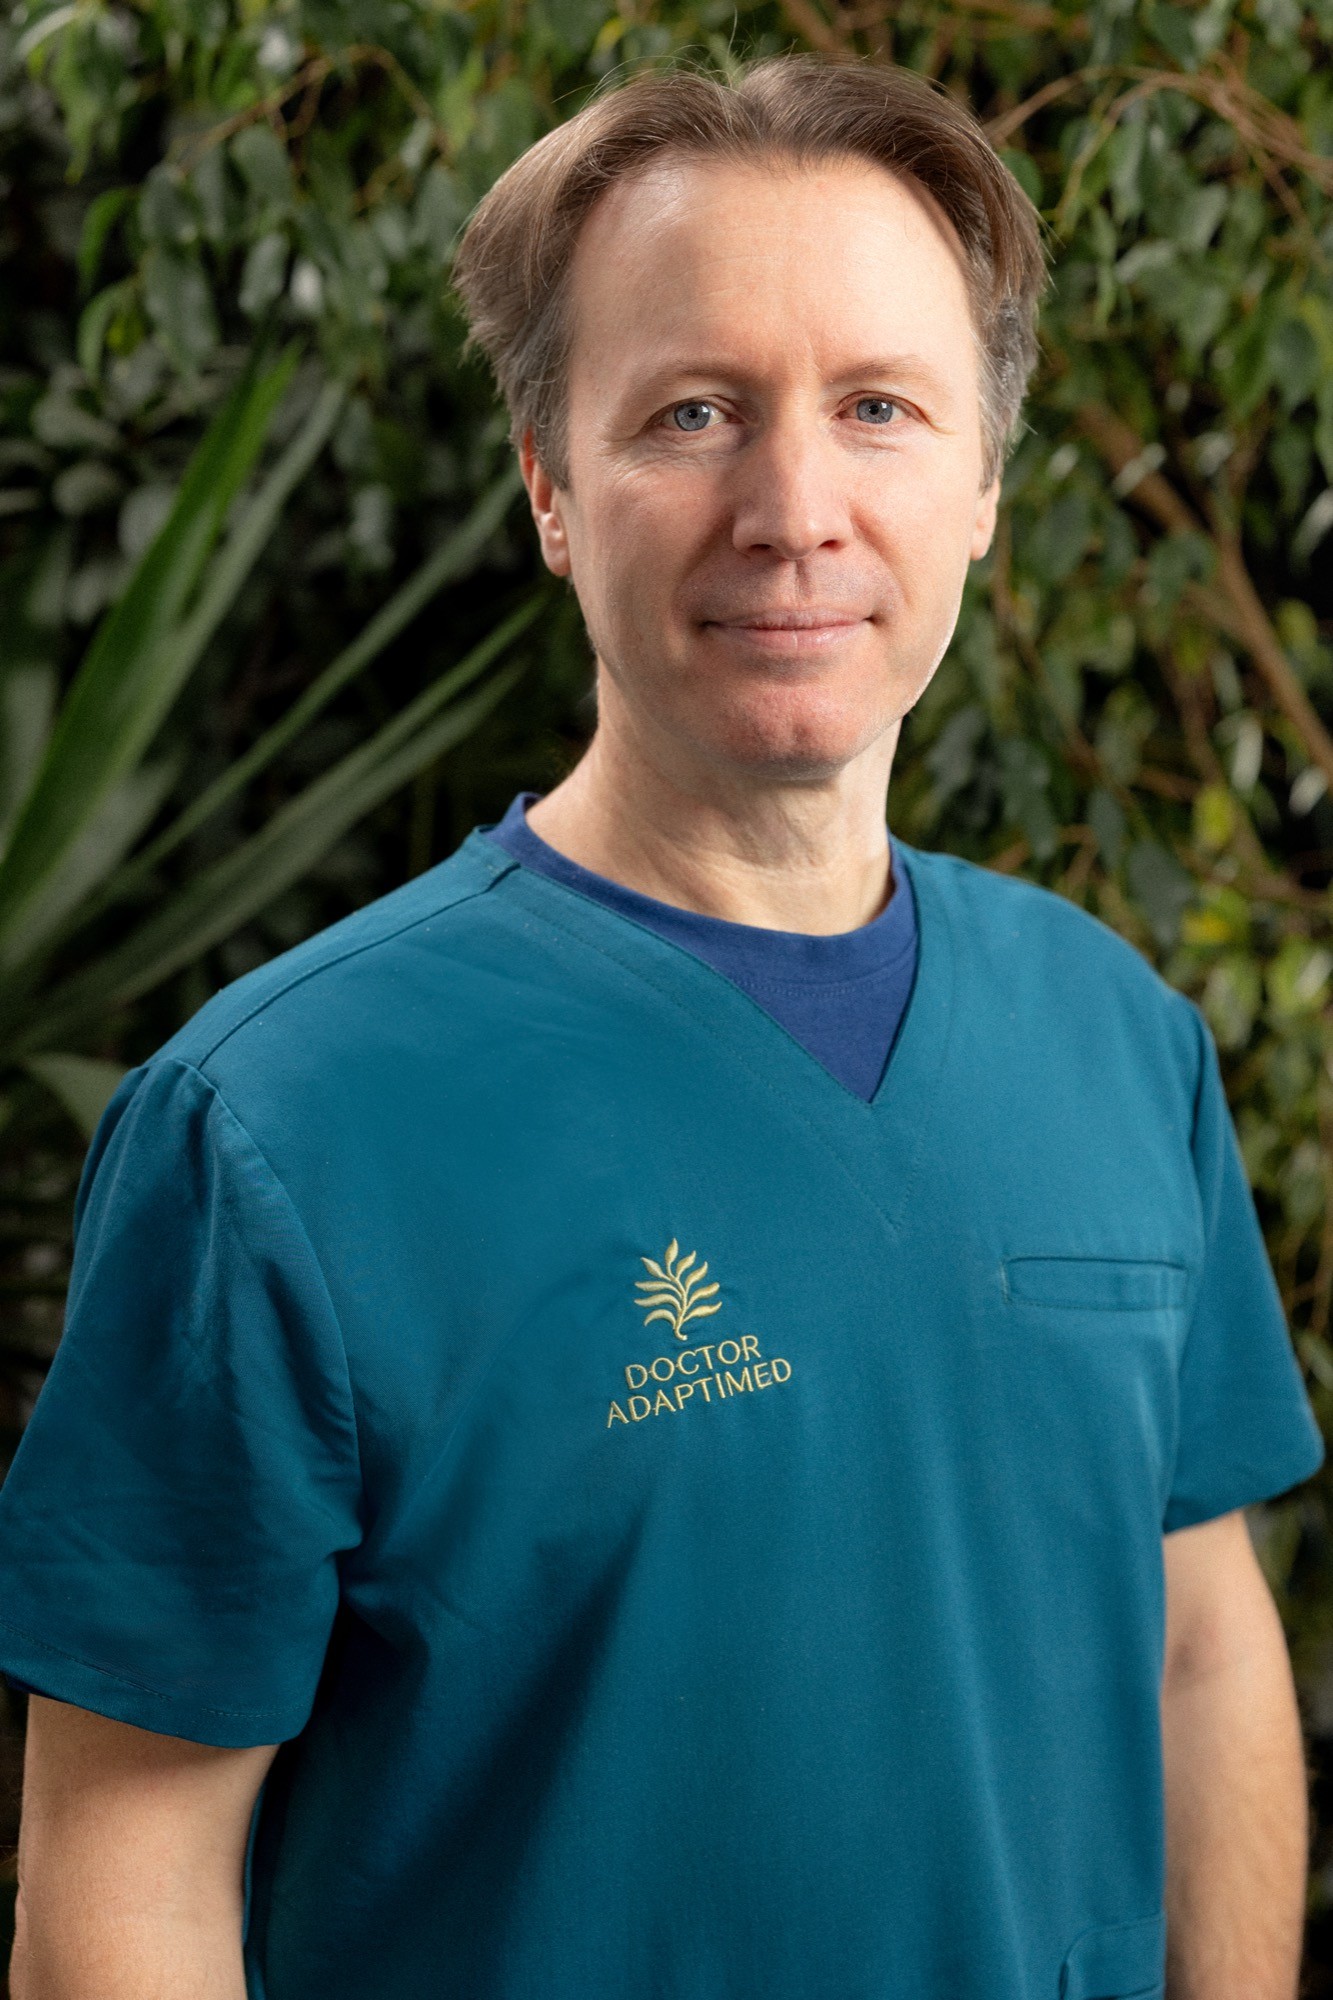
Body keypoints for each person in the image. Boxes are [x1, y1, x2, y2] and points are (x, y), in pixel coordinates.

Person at [1, 53, 1322, 2000]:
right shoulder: (274, 1127)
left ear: (980, 484)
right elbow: (126, 1878)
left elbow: (1196, 1641)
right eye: (693, 413)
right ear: (550, 485)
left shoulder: (1116, 1041)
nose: (793, 511)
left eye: (877, 408)